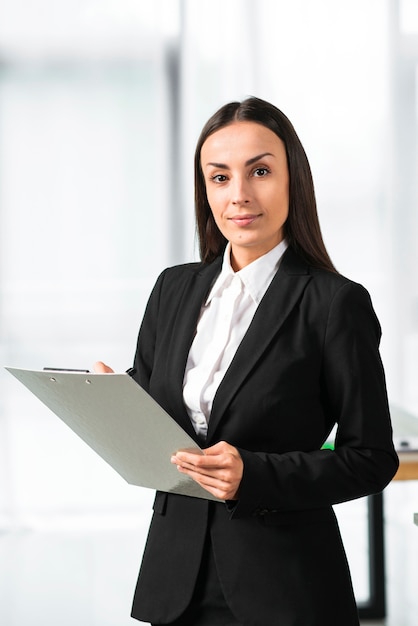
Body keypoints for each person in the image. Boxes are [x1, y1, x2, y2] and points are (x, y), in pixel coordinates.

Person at [95, 96, 398, 626]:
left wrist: (252, 475)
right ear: (204, 189)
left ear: (292, 181)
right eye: (219, 177)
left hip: (284, 587)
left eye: (259, 171)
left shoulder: (334, 304)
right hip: (175, 581)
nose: (239, 195)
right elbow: (157, 420)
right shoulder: (173, 288)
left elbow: (371, 458)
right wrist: (111, 405)